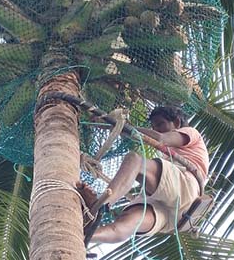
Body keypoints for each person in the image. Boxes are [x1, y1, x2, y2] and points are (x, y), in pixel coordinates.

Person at [83, 105, 209, 244]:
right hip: (175, 216)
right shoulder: (170, 157)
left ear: (177, 122)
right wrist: (113, 127)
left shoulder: (191, 133)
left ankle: (101, 205)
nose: (157, 130)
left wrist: (118, 126)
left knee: (134, 160)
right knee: (123, 224)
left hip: (186, 188)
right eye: (154, 127)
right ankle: (83, 236)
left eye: (161, 124)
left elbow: (161, 139)